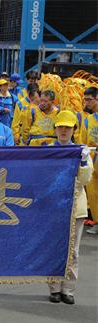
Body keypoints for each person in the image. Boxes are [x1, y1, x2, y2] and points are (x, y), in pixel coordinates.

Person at [48, 111, 93, 304]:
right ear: (55, 129)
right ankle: (54, 288)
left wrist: (83, 161)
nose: (64, 131)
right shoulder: (48, 151)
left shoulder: (81, 151)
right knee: (52, 248)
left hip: (76, 207)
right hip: (53, 207)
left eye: (68, 127)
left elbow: (85, 179)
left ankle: (68, 289)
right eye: (61, 127)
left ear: (74, 129)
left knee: (72, 251)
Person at [80, 87, 98, 234]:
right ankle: (97, 221)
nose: (86, 102)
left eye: (89, 99)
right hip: (93, 158)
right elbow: (83, 141)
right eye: (85, 99)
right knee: (92, 192)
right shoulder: (88, 120)